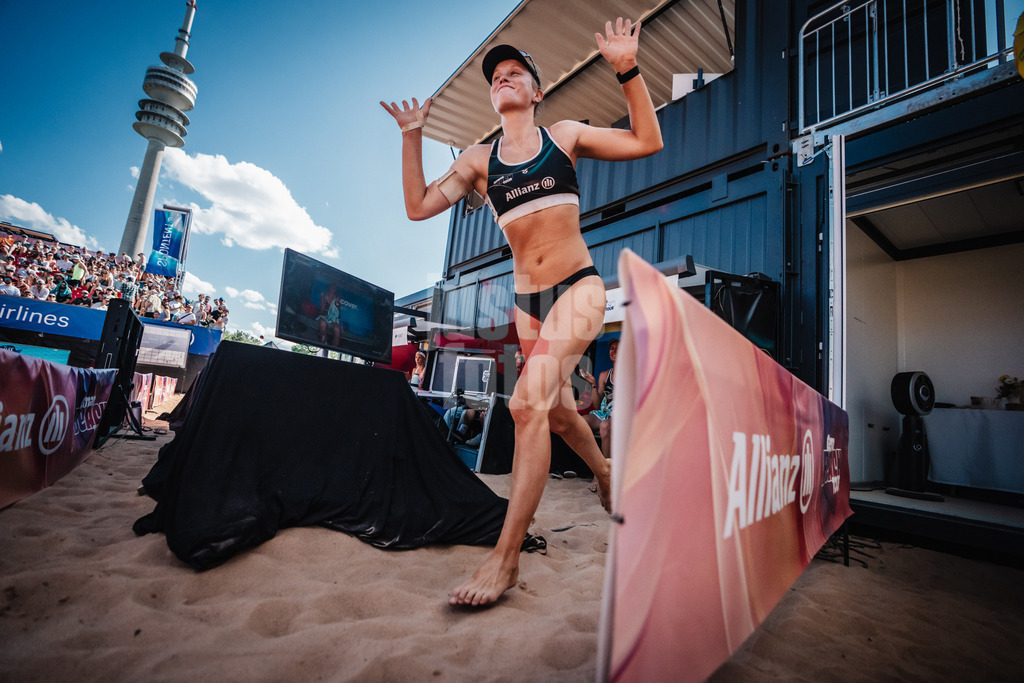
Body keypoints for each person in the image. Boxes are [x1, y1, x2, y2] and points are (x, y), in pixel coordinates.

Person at [382, 17, 662, 606]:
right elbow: (418, 206)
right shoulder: (479, 162)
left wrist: (627, 70)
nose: (503, 80)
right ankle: (605, 471)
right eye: (496, 78)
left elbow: (646, 142)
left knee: (524, 404)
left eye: (515, 73)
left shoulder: (564, 136)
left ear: (536, 91)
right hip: (528, 304)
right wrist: (412, 135)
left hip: (579, 286)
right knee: (554, 413)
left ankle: (505, 559)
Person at [581, 338, 617, 460]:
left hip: (621, 416)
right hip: (605, 414)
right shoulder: (604, 375)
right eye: (612, 348)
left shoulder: (630, 374)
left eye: (618, 349)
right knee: (579, 423)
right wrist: (593, 385)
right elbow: (597, 406)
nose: (614, 351)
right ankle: (593, 464)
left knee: (605, 426)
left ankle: (607, 468)